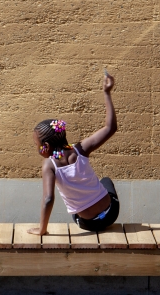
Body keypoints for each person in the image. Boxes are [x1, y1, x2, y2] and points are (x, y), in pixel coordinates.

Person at [28, 72, 118, 234]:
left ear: (46, 146)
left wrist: (42, 230)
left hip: (88, 224)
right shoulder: (80, 149)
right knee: (106, 181)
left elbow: (48, 199)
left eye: (37, 145)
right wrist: (107, 93)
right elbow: (110, 128)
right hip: (111, 214)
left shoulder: (50, 164)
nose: (37, 148)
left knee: (77, 210)